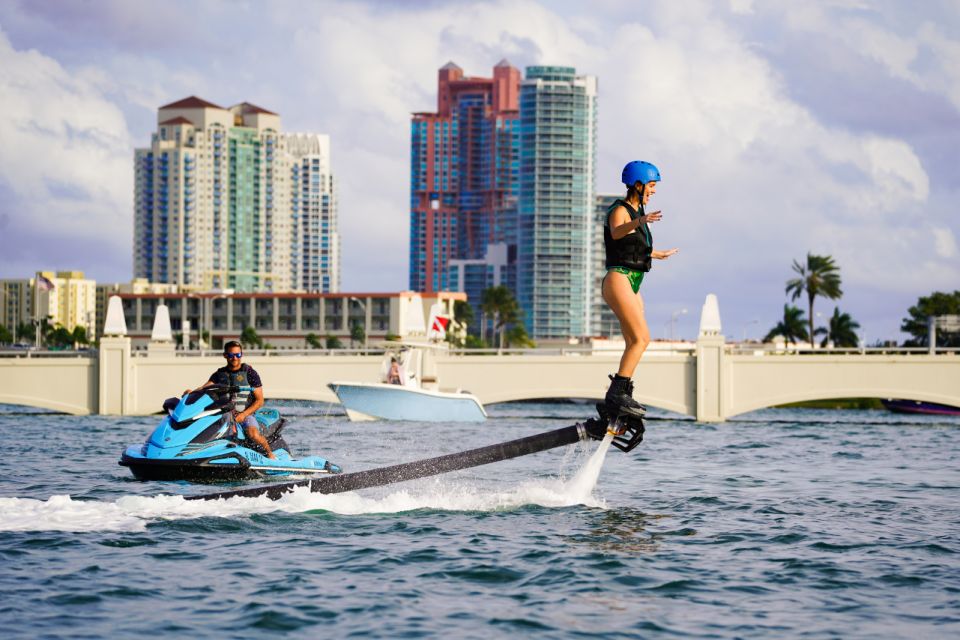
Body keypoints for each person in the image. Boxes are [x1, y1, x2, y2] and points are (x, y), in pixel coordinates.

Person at [602, 160, 678, 418]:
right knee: (642, 338)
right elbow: (616, 233)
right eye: (652, 185)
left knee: (635, 341)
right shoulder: (620, 210)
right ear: (638, 184)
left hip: (633, 281)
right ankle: (616, 395)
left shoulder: (637, 213)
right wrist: (641, 220)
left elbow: (632, 247)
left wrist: (656, 254)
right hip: (618, 278)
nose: (654, 191)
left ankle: (622, 394)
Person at [184, 340, 276, 459]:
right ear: (225, 355)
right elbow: (204, 388)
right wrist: (192, 392)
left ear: (241, 355)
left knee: (253, 434)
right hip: (224, 414)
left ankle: (270, 454)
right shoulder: (219, 374)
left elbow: (260, 401)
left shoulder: (250, 373)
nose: (234, 358)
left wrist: (243, 414)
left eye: (237, 355)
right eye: (231, 355)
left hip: (245, 414)